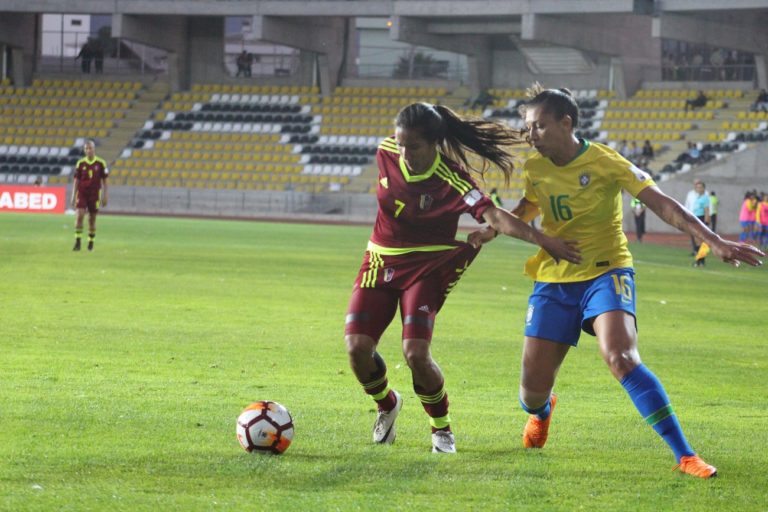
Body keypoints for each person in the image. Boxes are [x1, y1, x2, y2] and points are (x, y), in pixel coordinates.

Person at [469, 86, 764, 478]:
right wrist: (492, 230)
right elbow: (528, 205)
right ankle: (542, 411)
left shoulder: (606, 161)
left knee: (621, 357)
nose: (531, 135)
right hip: (554, 279)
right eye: (528, 127)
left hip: (607, 272)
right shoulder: (535, 168)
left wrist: (714, 240)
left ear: (566, 123)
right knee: (531, 392)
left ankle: (685, 455)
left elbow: (662, 204)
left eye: (538, 126)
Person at [344, 102, 581, 454]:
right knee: (357, 348)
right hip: (380, 260)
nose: (405, 153)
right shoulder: (386, 151)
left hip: (427, 267)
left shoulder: (451, 179)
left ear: (434, 143)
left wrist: (544, 240)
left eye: (414, 146)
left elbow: (495, 217)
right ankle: (387, 405)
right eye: (401, 143)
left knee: (416, 353)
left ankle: (441, 428)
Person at [71, 140, 109, 251]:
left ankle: (91, 242)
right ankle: (77, 241)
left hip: (95, 194)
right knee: (79, 215)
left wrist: (105, 195)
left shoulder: (101, 163)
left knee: (92, 220)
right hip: (82, 193)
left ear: (94, 149)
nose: (88, 150)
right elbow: (76, 180)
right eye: (86, 149)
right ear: (84, 150)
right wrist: (73, 195)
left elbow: (105, 181)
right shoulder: (80, 163)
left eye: (90, 148)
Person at [690, 181, 711, 267]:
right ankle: (699, 261)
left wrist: (706, 223)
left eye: (700, 187)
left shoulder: (705, 198)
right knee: (697, 241)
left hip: (701, 219)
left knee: (701, 241)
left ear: (704, 189)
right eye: (697, 187)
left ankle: (700, 261)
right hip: (696, 218)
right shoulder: (697, 197)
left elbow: (707, 211)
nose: (699, 189)